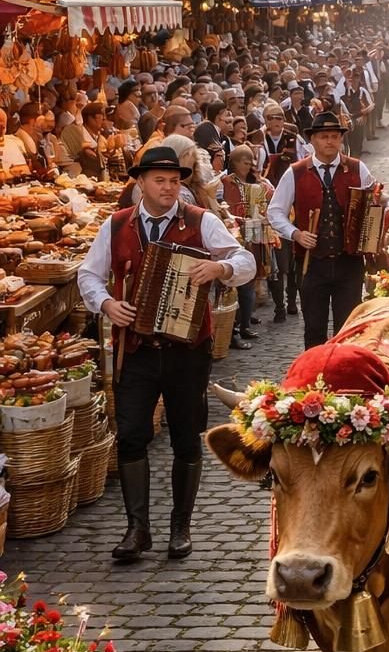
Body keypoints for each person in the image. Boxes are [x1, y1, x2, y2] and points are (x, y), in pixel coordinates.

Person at [78, 144, 257, 562]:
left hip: (187, 350)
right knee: (132, 435)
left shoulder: (201, 220)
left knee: (185, 436)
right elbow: (89, 275)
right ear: (139, 183)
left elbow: (244, 258)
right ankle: (137, 529)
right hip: (136, 350)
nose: (168, 187)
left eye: (175, 181)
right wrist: (106, 304)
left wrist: (221, 268)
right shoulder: (116, 224)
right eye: (159, 180)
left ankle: (180, 526)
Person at [268, 110, 384, 348]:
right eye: (324, 137)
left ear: (341, 140)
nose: (330, 141)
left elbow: (379, 200)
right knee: (314, 329)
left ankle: (346, 377)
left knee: (348, 329)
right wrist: (296, 234)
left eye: (334, 136)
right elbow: (275, 211)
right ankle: (315, 379)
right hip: (312, 265)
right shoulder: (296, 172)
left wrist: (378, 206)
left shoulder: (357, 168)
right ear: (313, 140)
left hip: (348, 262)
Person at [222, 145, 275, 346]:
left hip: (254, 236)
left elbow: (269, 197)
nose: (249, 167)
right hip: (235, 239)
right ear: (235, 163)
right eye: (245, 163)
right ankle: (235, 328)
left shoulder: (255, 183)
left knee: (250, 282)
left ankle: (245, 324)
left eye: (251, 163)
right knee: (237, 285)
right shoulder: (225, 183)